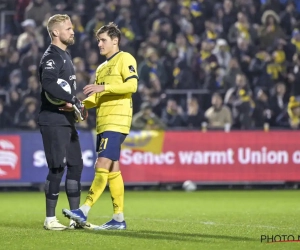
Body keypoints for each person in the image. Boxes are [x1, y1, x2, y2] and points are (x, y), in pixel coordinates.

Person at [62, 22, 138, 230]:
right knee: (113, 169)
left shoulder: (125, 58)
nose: (99, 44)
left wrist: (103, 87)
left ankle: (83, 210)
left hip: (118, 120)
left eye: (103, 40)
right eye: (98, 40)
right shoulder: (101, 68)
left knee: (101, 164)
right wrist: (78, 104)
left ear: (115, 40)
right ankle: (118, 219)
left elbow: (132, 85)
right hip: (103, 122)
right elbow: (97, 97)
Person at [38, 14, 87, 230]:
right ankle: (50, 219)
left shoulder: (65, 56)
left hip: (67, 120)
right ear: (56, 32)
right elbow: (48, 83)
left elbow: (64, 90)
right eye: (68, 28)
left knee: (76, 165)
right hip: (53, 119)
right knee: (57, 167)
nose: (72, 31)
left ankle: (75, 218)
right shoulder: (52, 57)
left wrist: (77, 107)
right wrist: (73, 99)